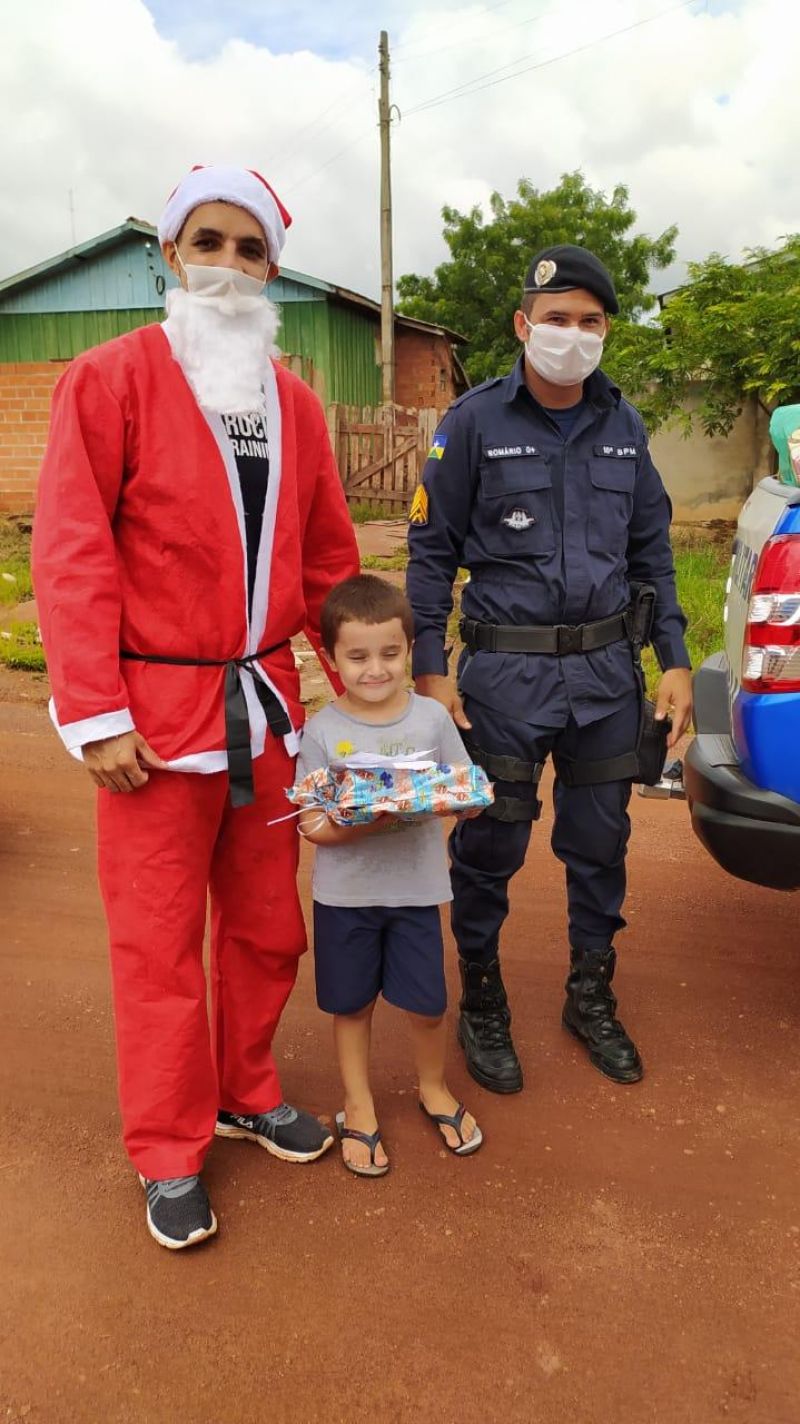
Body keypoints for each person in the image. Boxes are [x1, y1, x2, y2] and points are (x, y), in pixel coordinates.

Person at [32, 165, 360, 1249]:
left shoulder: (295, 402)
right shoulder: (109, 379)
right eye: (205, 241)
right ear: (169, 255)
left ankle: (245, 1087)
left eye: (248, 246)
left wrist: (357, 687)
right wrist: (93, 710)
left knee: (268, 929)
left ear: (274, 265)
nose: (226, 263)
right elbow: (73, 550)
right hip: (151, 720)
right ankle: (169, 1145)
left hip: (265, 710)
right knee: (158, 942)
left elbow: (323, 555)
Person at [406, 244, 693, 1095]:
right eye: (558, 320)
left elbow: (652, 553)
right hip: (502, 682)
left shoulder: (626, 426)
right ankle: (483, 999)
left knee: (601, 844)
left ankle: (589, 994)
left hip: (608, 679)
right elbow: (430, 554)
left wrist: (673, 660)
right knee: (490, 845)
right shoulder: (472, 422)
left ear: (606, 330)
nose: (573, 335)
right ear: (524, 327)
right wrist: (431, 668)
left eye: (590, 321)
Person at [295, 575, 483, 1176]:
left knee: (428, 1005)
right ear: (332, 658)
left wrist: (464, 800)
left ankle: (434, 1088)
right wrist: (365, 819)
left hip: (417, 892)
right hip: (345, 898)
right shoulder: (322, 731)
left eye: (390, 653)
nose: (375, 669)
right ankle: (359, 1104)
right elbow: (310, 824)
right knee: (350, 1006)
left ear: (409, 650)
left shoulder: (431, 719)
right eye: (357, 656)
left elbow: (463, 789)